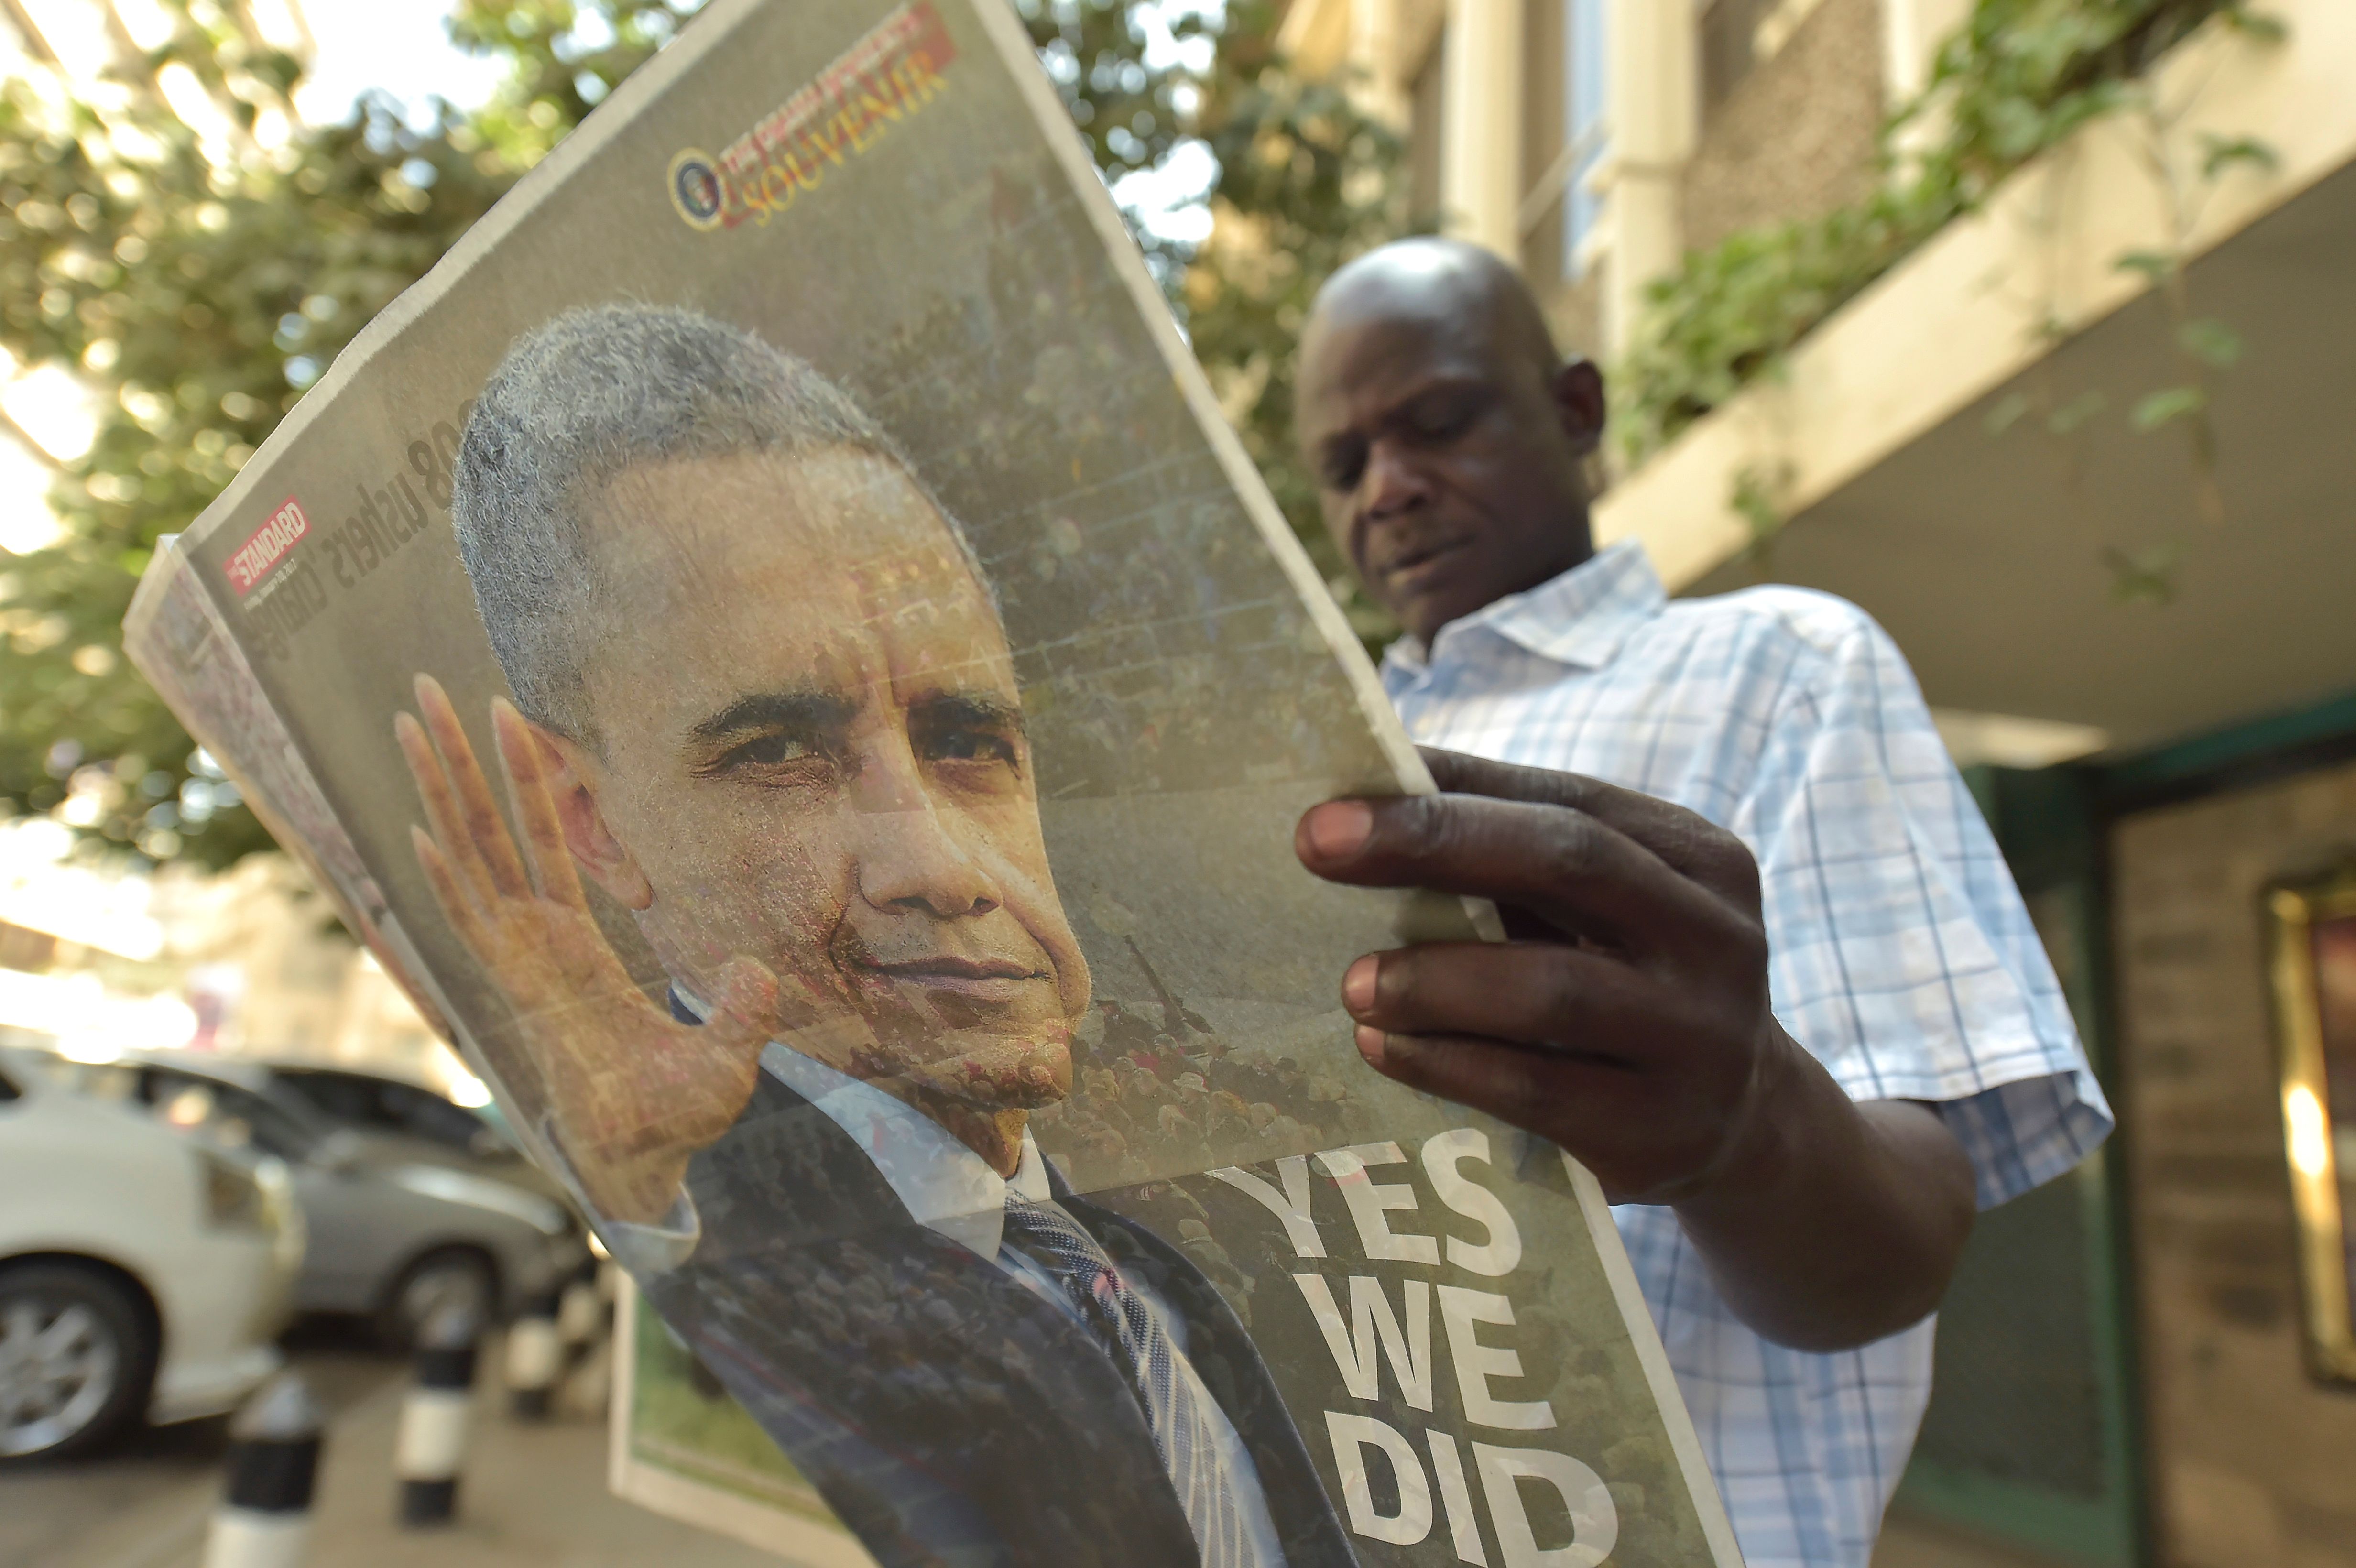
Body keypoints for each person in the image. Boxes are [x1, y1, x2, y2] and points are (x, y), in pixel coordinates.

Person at [395, 304, 1350, 1568]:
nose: (943, 867)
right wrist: (644, 1213)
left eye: (968, 741)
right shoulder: (697, 1245)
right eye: (782, 753)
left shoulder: (1167, 1274)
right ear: (597, 827)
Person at [1286, 237, 2114, 1568]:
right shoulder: (1305, 746)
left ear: (1576, 411)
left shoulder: (1779, 666)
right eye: (1341, 467)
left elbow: (1902, 1246)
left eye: (1437, 422)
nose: (1386, 489)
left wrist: (1743, 1130)